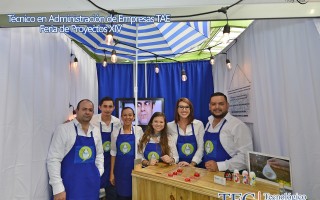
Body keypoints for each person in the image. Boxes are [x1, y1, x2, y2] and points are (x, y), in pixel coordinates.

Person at [47, 99, 104, 200]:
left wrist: (98, 172)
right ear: (77, 111)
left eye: (90, 110)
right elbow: (54, 159)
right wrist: (58, 188)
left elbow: (99, 154)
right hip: (70, 187)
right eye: (84, 109)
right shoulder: (63, 129)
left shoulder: (95, 131)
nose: (87, 112)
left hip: (91, 186)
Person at [203, 92, 253, 172]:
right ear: (209, 106)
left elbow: (245, 157)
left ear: (227, 105)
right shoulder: (209, 123)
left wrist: (220, 166)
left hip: (230, 175)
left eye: (221, 104)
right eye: (213, 104)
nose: (217, 107)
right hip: (209, 173)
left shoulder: (237, 125)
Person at [91, 97, 121, 200]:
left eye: (110, 107)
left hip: (111, 160)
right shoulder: (92, 120)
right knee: (94, 187)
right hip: (96, 159)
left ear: (114, 108)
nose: (107, 109)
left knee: (111, 189)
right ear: (99, 107)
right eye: (105, 106)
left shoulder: (117, 122)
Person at [110, 107, 143, 200]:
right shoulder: (115, 132)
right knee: (121, 195)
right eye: (124, 115)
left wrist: (140, 169)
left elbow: (141, 152)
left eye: (130, 115)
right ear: (121, 117)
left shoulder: (138, 130)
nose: (127, 117)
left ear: (134, 117)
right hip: (120, 170)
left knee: (135, 194)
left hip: (134, 168)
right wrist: (112, 173)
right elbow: (113, 153)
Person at [167, 98, 204, 167]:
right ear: (177, 109)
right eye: (181, 107)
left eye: (187, 107)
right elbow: (170, 148)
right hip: (176, 166)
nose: (184, 110)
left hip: (195, 166)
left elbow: (201, 147)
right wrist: (174, 161)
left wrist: (192, 164)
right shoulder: (169, 126)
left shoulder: (199, 124)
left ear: (190, 109)